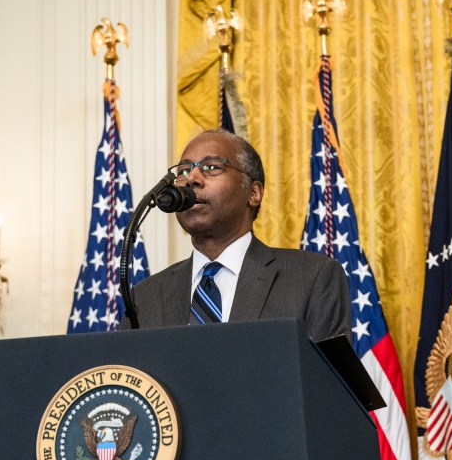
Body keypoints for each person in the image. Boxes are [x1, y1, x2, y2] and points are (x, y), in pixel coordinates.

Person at [133, 129, 350, 341]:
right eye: (183, 171)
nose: (191, 179)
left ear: (253, 193)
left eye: (210, 167)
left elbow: (325, 376)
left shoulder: (311, 278)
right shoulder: (144, 298)